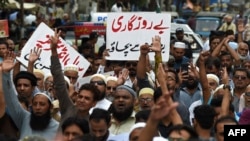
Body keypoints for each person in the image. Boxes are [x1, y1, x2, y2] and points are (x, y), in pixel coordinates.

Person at [1, 52, 59, 140]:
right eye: (35, 104)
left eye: (42, 104)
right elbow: (11, 99)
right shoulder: (24, 118)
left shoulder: (58, 128)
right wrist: (5, 74)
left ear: (50, 107)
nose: (38, 107)